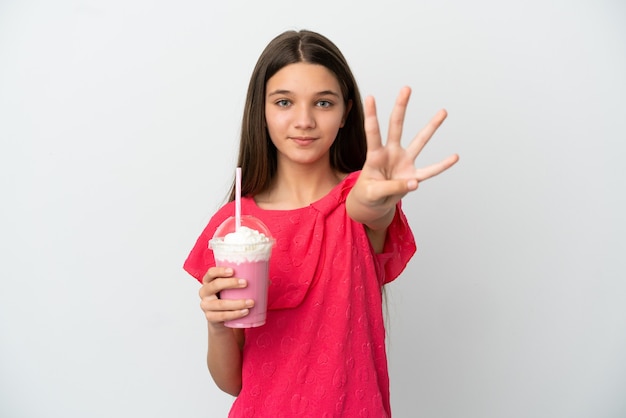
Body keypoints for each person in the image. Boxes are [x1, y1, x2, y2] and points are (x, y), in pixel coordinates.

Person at [183, 29, 459, 417]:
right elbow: (232, 383)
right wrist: (216, 326)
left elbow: (370, 206)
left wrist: (383, 191)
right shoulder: (233, 227)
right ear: (261, 111)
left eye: (323, 103)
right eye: (284, 102)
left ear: (346, 112)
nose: (304, 120)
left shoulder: (356, 200)